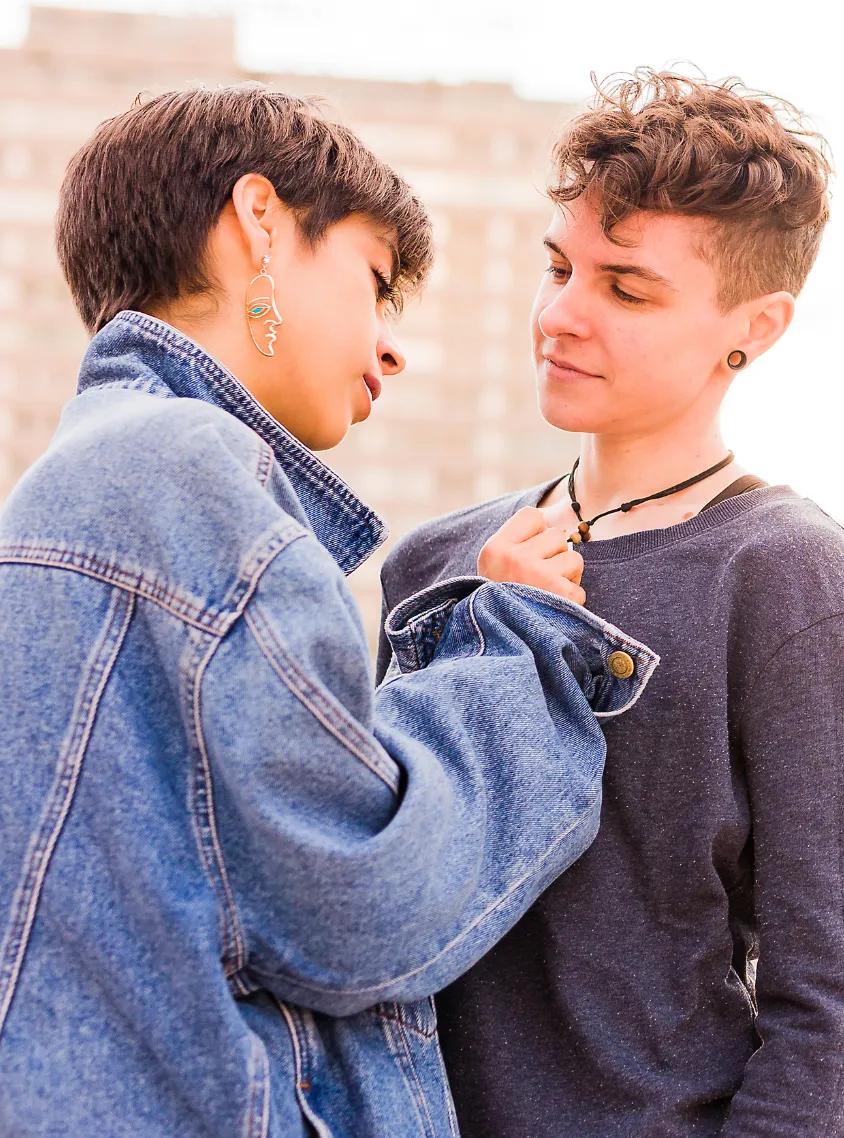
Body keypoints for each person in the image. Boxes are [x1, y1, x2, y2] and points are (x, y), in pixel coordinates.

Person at [0, 85, 659, 1138]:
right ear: (258, 221)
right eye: (374, 282)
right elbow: (360, 895)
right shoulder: (188, 468)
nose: (389, 349)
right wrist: (516, 645)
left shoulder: (74, 485)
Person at [378, 71, 841, 1136]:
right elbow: (377, 891)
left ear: (755, 327)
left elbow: (823, 1003)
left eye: (626, 289)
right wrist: (487, 639)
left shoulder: (785, 577)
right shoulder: (437, 565)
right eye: (558, 268)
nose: (560, 315)